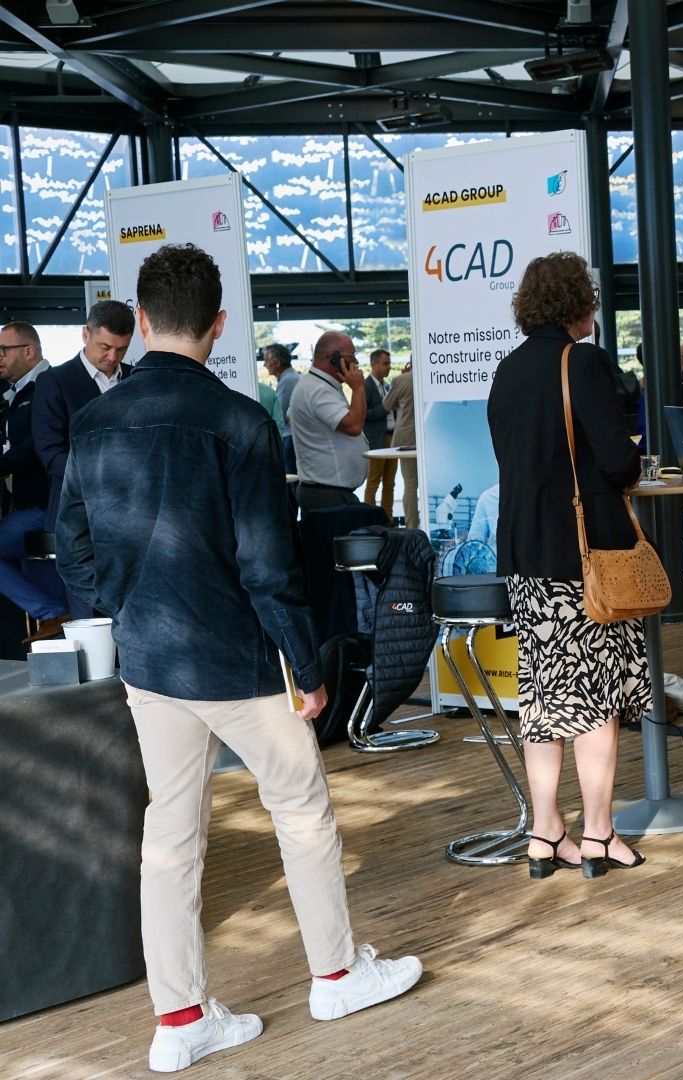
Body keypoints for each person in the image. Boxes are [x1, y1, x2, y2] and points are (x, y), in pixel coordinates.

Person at [55, 243, 421, 1074]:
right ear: (219, 327)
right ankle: (334, 975)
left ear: (141, 320)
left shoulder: (94, 418)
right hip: (238, 660)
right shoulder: (240, 422)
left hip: (148, 658)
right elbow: (267, 565)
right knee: (301, 811)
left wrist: (123, 600)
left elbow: (71, 547)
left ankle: (179, 1019)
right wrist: (309, 666)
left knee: (170, 836)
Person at [487, 250, 651, 879]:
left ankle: (544, 832)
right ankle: (600, 833)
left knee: (545, 696)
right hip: (585, 562)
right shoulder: (580, 362)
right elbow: (617, 460)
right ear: (578, 304)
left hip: (525, 557)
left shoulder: (506, 371)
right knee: (596, 699)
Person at [34, 299, 133, 522]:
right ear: (85, 335)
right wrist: (110, 475)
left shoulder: (137, 377)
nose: (113, 357)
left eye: (121, 349)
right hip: (76, 510)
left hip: (133, 510)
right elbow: (51, 454)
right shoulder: (54, 381)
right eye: (105, 347)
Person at [0, 321, 68, 635]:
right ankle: (53, 616)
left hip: (47, 505)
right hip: (27, 505)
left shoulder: (49, 386)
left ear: (29, 351)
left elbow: (36, 446)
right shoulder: (13, 394)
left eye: (4, 350)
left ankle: (53, 613)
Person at [286, 331, 370, 512]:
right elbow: (354, 425)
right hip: (327, 496)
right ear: (333, 358)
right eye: (351, 355)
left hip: (329, 493)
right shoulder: (317, 390)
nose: (355, 362)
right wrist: (358, 387)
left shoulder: (317, 385)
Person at [360, 349, 397, 516]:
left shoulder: (388, 386)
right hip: (376, 440)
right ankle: (369, 517)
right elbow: (363, 414)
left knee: (390, 482)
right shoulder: (365, 387)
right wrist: (384, 408)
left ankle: (387, 517)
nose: (389, 367)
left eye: (389, 363)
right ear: (373, 364)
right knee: (373, 481)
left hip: (392, 438)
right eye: (385, 363)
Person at [386, 359, 417, 526]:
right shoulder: (431, 377)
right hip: (430, 434)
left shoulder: (401, 380)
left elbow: (387, 404)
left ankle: (413, 526)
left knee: (410, 483)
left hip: (407, 437)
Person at [260, 343, 301, 469]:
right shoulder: (292, 378)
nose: (264, 365)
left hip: (290, 439)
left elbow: (280, 414)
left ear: (277, 363)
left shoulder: (288, 380)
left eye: (266, 360)